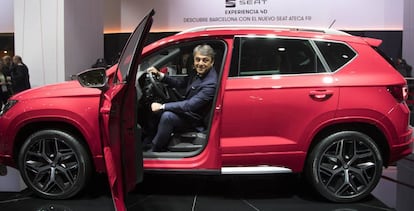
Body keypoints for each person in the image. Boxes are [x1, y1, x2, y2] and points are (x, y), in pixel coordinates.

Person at [146, 44, 218, 152]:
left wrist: (163, 106)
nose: (200, 63)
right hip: (189, 113)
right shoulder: (197, 72)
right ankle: (150, 139)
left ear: (211, 62)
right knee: (156, 111)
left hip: (194, 120)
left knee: (167, 116)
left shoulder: (210, 83)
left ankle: (156, 149)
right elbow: (181, 83)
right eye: (197, 59)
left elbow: (190, 105)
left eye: (205, 60)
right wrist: (161, 76)